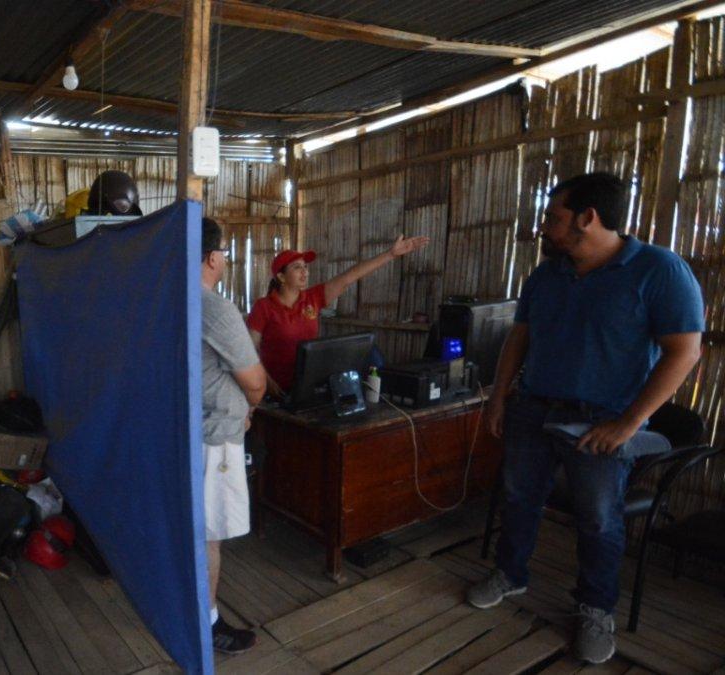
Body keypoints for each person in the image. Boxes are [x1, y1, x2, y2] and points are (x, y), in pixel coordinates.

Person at [467, 173, 704, 664]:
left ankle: (596, 607)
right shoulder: (546, 274)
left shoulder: (659, 270)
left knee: (599, 519)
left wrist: (630, 423)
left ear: (588, 219)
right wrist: (499, 398)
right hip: (532, 410)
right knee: (518, 497)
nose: (545, 228)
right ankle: (511, 574)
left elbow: (684, 353)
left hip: (600, 422)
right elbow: (520, 337)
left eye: (554, 218)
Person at [247, 235, 429, 396]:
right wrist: (265, 381)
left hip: (309, 386)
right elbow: (248, 350)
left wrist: (390, 254)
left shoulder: (313, 298)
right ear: (281, 276)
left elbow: (350, 276)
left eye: (305, 267)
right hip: (276, 391)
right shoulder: (263, 307)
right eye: (297, 268)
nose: (305, 272)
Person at [200, 216, 266, 655]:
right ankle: (206, 625)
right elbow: (255, 380)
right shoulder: (213, 307)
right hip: (213, 439)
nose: (225, 258)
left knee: (193, 528)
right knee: (209, 535)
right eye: (223, 251)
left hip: (184, 430)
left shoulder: (163, 297)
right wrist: (251, 408)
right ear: (212, 256)